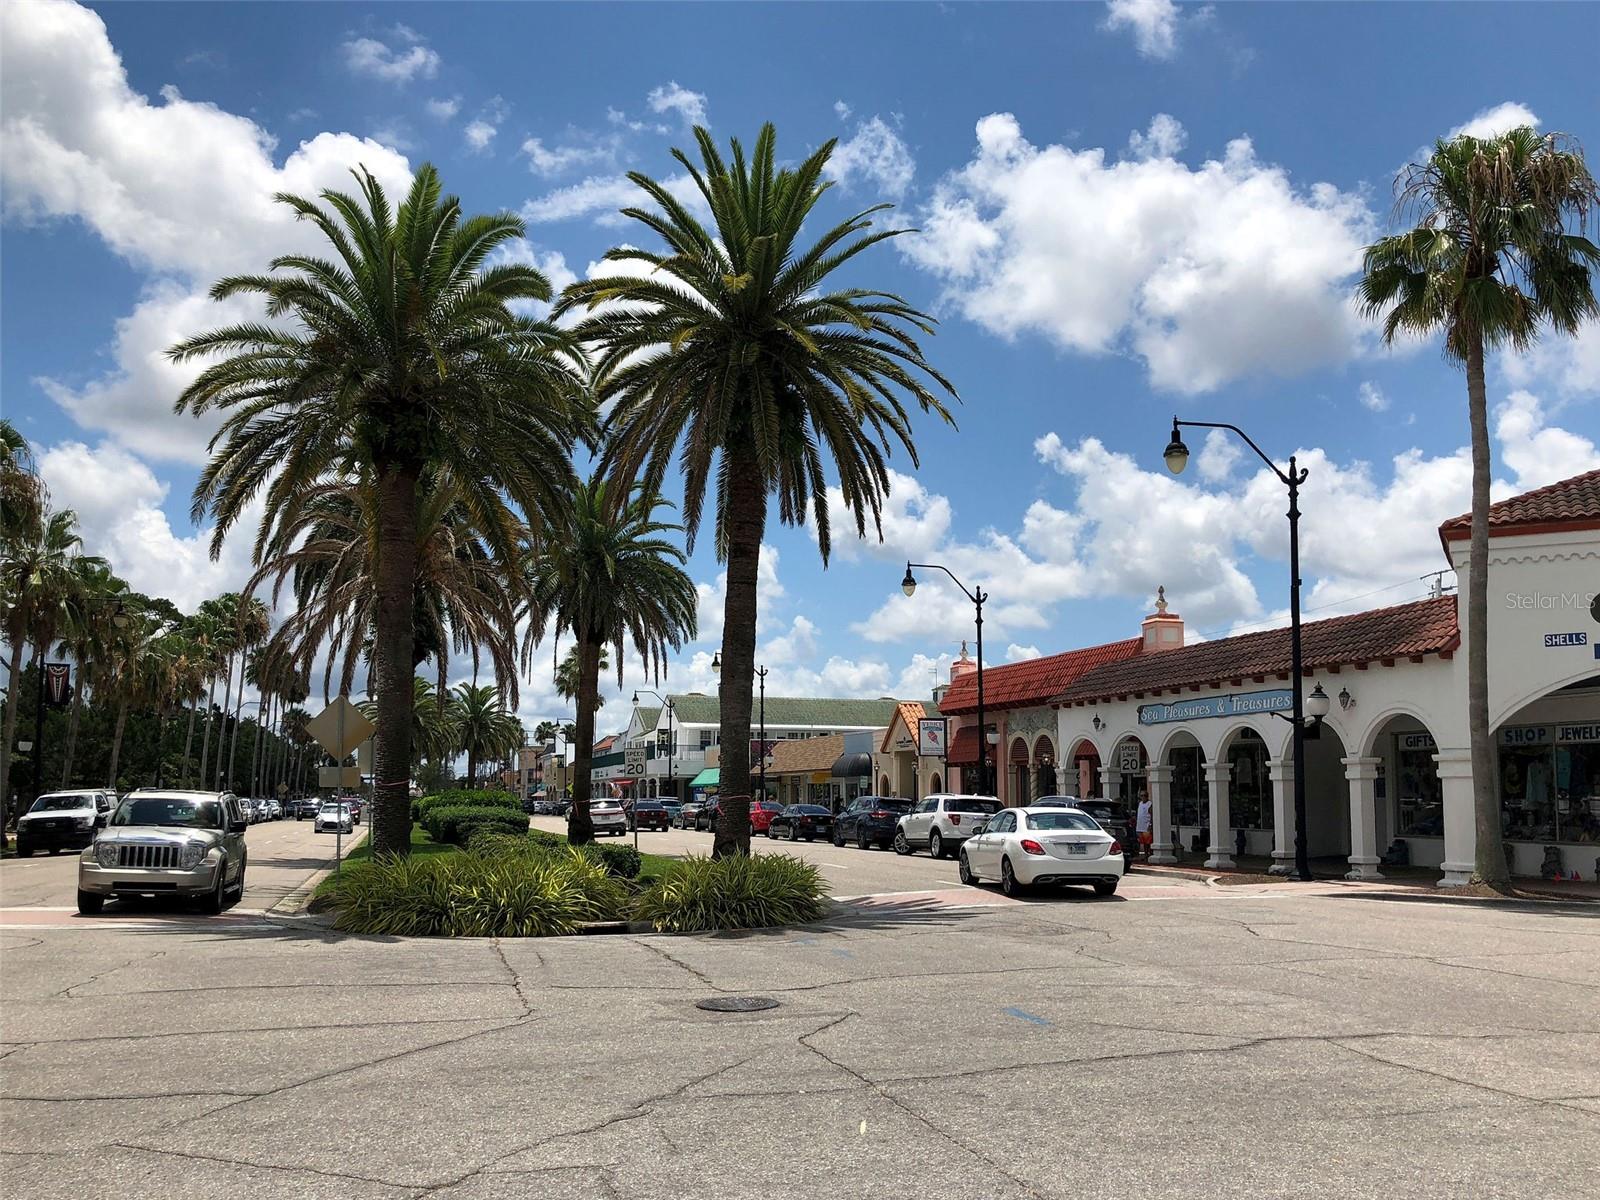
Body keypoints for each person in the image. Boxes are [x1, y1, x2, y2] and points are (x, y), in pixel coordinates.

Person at [1135, 786, 1153, 862]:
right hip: (1140, 826)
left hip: (1146, 826)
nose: (1143, 797)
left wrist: (1150, 825)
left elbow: (1152, 815)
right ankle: (1145, 855)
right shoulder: (1140, 804)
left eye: (1144, 795)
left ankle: (1148, 855)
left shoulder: (1149, 804)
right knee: (1142, 842)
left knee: (1147, 842)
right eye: (1141, 796)